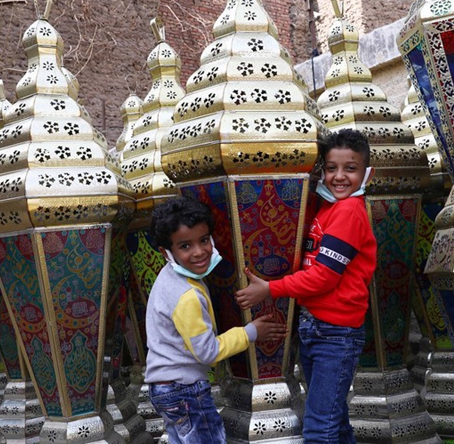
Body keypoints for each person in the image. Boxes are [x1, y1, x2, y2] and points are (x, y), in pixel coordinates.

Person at [235, 128, 377, 443]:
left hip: (336, 335)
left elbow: (324, 276)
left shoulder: (349, 213)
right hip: (316, 329)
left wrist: (269, 289)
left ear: (367, 173)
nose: (339, 177)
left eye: (350, 169)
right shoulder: (329, 208)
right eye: (331, 168)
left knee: (318, 428)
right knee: (334, 422)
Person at [145, 196, 286, 443]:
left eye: (204, 240)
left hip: (164, 388)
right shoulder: (186, 295)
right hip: (184, 390)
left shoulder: (169, 277)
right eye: (185, 246)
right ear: (166, 252)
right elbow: (207, 352)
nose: (199, 252)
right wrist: (250, 331)